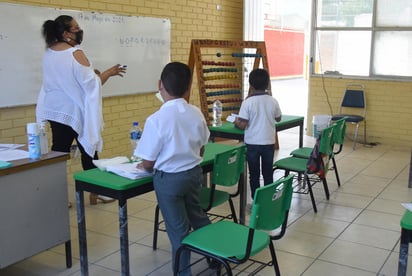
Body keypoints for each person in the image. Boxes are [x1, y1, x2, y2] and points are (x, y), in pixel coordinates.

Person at [36, 15, 126, 205]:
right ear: (66, 33)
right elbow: (92, 86)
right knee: (88, 150)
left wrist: (91, 77)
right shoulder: (75, 53)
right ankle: (96, 192)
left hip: (55, 110)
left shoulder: (49, 53)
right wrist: (108, 73)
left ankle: (57, 198)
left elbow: (66, 82)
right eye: (76, 28)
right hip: (74, 111)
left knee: (58, 153)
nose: (79, 31)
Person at [135, 62, 211, 275]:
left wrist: (144, 164)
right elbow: (203, 146)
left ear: (160, 85)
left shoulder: (156, 120)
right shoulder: (195, 112)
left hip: (169, 181)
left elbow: (148, 162)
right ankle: (216, 257)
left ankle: (183, 273)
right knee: (197, 215)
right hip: (194, 174)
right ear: (188, 89)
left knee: (178, 230)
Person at [234, 68, 282, 202]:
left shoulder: (248, 102)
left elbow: (243, 124)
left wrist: (237, 122)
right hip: (268, 143)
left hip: (253, 144)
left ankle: (256, 201)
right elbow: (278, 118)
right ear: (267, 84)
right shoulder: (273, 100)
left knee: (254, 174)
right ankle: (269, 199)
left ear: (251, 85)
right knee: (267, 173)